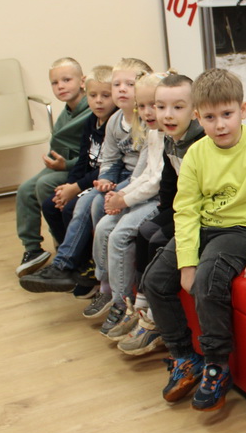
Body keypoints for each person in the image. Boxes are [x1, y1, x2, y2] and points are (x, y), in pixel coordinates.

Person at [142, 68, 246, 411]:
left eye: (227, 114)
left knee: (209, 280)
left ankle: (216, 364)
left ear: (243, 109)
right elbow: (185, 210)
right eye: (210, 118)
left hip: (243, 229)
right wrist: (186, 261)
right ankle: (184, 356)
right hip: (204, 227)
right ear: (198, 117)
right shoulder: (196, 153)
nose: (220, 125)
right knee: (154, 281)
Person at [20, 58, 150, 294]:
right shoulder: (111, 121)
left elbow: (142, 170)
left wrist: (87, 187)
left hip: (132, 179)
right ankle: (70, 265)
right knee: (55, 203)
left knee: (88, 204)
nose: (120, 90)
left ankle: (89, 273)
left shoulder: (147, 123)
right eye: (117, 85)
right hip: (113, 176)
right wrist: (95, 180)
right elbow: (105, 160)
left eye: (128, 84)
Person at [114, 73, 204, 356]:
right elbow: (169, 184)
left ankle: (154, 320)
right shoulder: (170, 138)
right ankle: (142, 307)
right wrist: (163, 215)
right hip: (181, 210)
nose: (167, 115)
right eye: (160, 107)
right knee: (146, 230)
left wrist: (170, 221)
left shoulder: (199, 143)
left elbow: (200, 198)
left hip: (202, 216)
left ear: (194, 110)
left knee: (156, 239)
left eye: (177, 107)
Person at [83, 70, 167, 335]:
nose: (148, 112)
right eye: (142, 106)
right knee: (105, 225)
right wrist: (121, 196)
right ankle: (107, 289)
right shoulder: (152, 134)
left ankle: (123, 304)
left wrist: (124, 199)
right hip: (143, 194)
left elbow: (156, 182)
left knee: (119, 235)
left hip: (158, 201)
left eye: (154, 105)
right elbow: (143, 174)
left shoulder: (169, 135)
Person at [15, 57, 92, 276]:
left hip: (77, 168)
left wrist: (65, 164)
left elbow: (91, 154)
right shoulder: (67, 111)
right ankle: (33, 249)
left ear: (82, 81)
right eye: (55, 83)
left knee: (45, 184)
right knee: (25, 190)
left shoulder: (91, 109)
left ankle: (62, 244)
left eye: (67, 80)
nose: (60, 86)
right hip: (60, 165)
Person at [37, 65, 115, 253]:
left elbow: (107, 168)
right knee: (50, 206)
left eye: (105, 95)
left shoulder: (114, 123)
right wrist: (68, 186)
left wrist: (75, 188)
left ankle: (81, 260)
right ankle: (67, 255)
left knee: (69, 209)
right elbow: (83, 160)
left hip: (102, 181)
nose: (98, 101)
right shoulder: (90, 121)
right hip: (85, 180)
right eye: (93, 95)